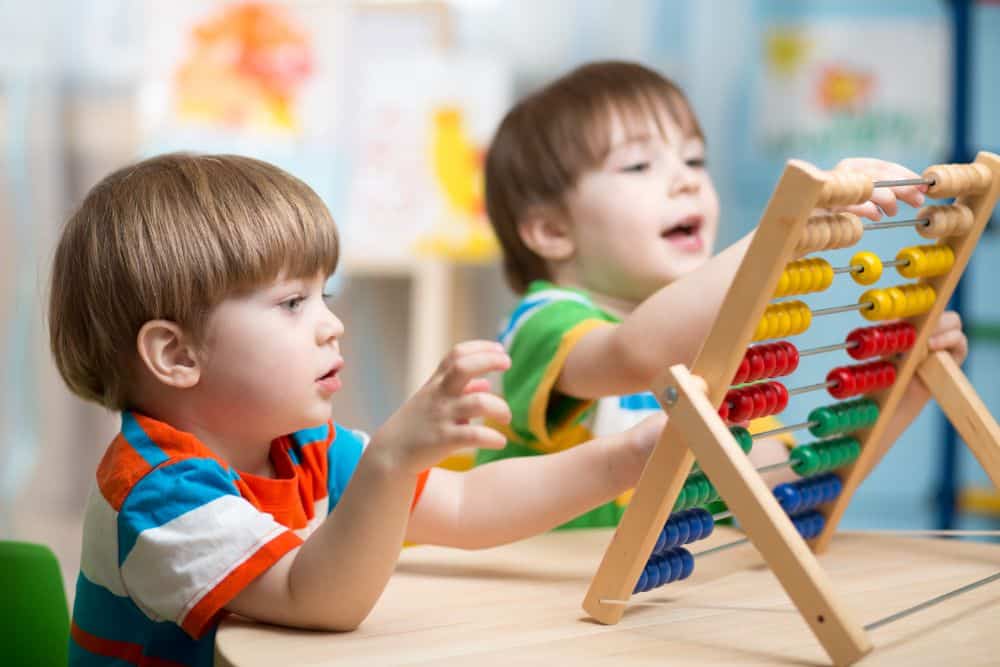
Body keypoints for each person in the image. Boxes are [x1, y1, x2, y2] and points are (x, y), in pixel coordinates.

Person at [50, 153, 667, 666]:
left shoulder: (303, 445)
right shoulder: (158, 491)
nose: (332, 325)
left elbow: (467, 505)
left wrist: (625, 458)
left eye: (327, 295)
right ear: (176, 353)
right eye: (293, 302)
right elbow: (316, 598)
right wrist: (392, 461)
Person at [477, 60, 968, 528]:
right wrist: (789, 230)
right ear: (550, 230)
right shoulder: (541, 326)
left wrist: (902, 392)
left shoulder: (715, 357)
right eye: (638, 166)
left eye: (695, 159)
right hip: (541, 603)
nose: (686, 180)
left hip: (664, 608)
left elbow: (790, 495)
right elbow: (634, 353)